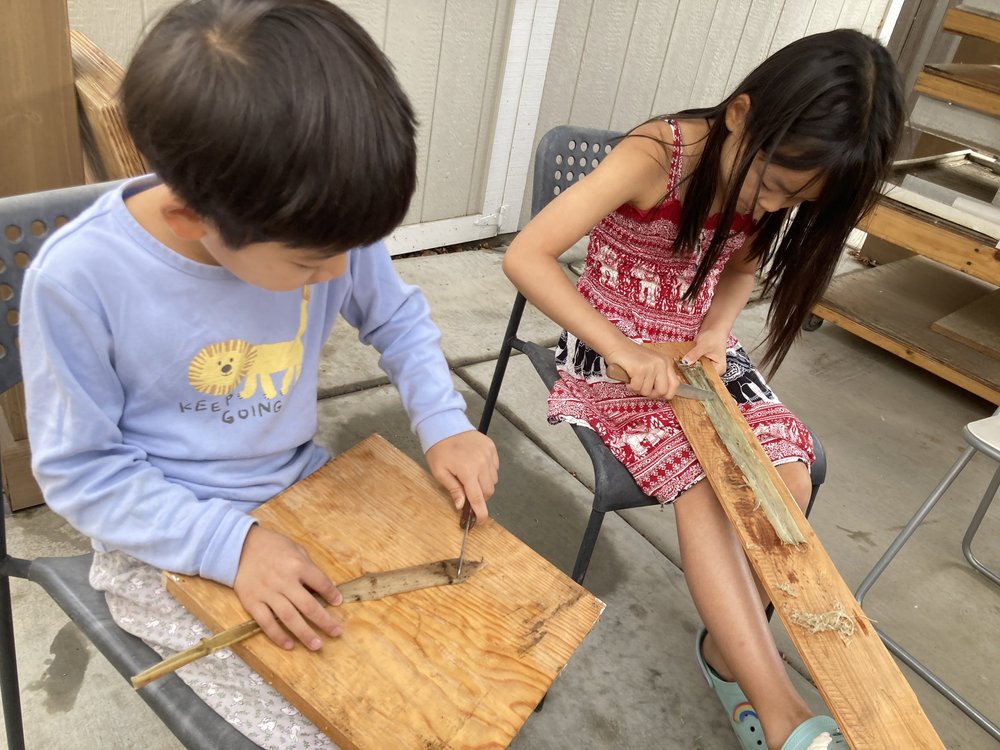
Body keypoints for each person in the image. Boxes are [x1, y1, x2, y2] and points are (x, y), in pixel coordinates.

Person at [21, 1, 498, 748]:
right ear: (189, 218)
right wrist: (231, 546)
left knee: (460, 669)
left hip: (303, 488)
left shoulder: (318, 216)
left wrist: (444, 422)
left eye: (354, 246)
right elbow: (82, 472)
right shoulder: (80, 279)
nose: (341, 275)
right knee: (330, 727)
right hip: (164, 537)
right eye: (311, 264)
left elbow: (396, 318)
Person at [503, 29, 903, 750]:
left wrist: (718, 328)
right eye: (776, 186)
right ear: (742, 115)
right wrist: (622, 348)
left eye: (795, 199)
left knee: (785, 472)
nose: (774, 206)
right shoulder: (656, 158)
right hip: (610, 344)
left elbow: (743, 269)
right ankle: (778, 709)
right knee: (702, 483)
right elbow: (527, 256)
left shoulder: (768, 179)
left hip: (698, 349)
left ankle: (727, 655)